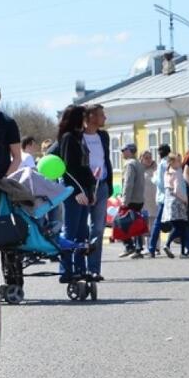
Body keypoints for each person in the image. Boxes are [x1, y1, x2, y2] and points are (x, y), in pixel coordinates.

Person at [54, 105, 94, 281]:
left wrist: (91, 190)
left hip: (84, 189)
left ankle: (80, 268)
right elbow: (68, 168)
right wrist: (77, 190)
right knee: (70, 231)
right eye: (85, 118)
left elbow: (85, 167)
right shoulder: (69, 138)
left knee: (82, 231)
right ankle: (66, 270)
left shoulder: (80, 138)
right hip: (73, 190)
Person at [82, 104, 112, 278]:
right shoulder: (77, 136)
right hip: (84, 187)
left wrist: (107, 183)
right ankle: (79, 267)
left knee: (98, 228)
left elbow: (105, 159)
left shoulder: (103, 136)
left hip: (101, 186)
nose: (105, 118)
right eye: (101, 115)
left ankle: (93, 269)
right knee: (81, 229)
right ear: (91, 117)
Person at [161, 153, 189, 258]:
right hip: (178, 201)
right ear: (172, 162)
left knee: (179, 226)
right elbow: (177, 189)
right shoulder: (178, 172)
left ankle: (182, 251)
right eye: (178, 160)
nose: (181, 162)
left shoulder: (167, 172)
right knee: (181, 227)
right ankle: (168, 244)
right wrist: (185, 200)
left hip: (169, 202)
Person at [119, 143, 145, 257]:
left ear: (130, 151)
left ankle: (130, 247)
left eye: (124, 150)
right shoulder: (138, 163)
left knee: (121, 222)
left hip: (131, 199)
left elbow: (128, 183)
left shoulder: (129, 164)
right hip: (139, 198)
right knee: (136, 224)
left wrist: (125, 200)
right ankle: (137, 248)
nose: (122, 153)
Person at [146, 144, 172, 257]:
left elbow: (161, 183)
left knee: (157, 223)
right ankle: (188, 246)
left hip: (163, 196)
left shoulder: (162, 164)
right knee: (178, 221)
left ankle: (152, 247)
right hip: (172, 196)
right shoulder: (171, 162)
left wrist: (153, 178)